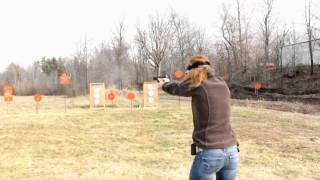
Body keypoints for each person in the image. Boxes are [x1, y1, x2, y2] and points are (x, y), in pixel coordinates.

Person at [158, 55, 239, 180]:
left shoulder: (199, 83)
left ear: (193, 70)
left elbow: (177, 88)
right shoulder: (222, 83)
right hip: (232, 151)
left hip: (210, 152)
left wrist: (165, 84)